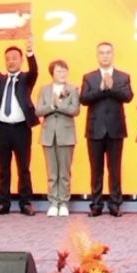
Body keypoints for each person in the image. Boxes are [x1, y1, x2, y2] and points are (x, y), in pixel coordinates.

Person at [0, 39, 39, 217]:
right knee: (2, 168)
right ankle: (3, 203)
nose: (11, 61)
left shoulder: (26, 79)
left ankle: (25, 203)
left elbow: (34, 70)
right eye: (8, 59)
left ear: (21, 60)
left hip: (21, 129)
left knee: (23, 167)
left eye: (14, 58)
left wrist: (30, 52)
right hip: (1, 128)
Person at [80, 41, 133, 217]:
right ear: (97, 56)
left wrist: (112, 87)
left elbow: (128, 96)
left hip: (116, 129)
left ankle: (115, 204)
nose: (105, 56)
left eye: (108, 52)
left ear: (113, 54)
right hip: (94, 129)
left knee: (115, 169)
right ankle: (96, 204)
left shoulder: (123, 76)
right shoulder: (89, 77)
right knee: (96, 170)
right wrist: (101, 89)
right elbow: (84, 99)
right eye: (101, 53)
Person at [36, 60, 80, 217]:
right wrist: (51, 106)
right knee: (52, 171)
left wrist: (59, 105)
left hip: (66, 134)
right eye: (59, 71)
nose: (62, 74)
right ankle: (54, 202)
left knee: (64, 172)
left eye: (64, 71)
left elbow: (75, 110)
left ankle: (64, 202)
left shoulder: (72, 89)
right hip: (48, 135)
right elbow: (38, 111)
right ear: (52, 73)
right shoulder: (44, 89)